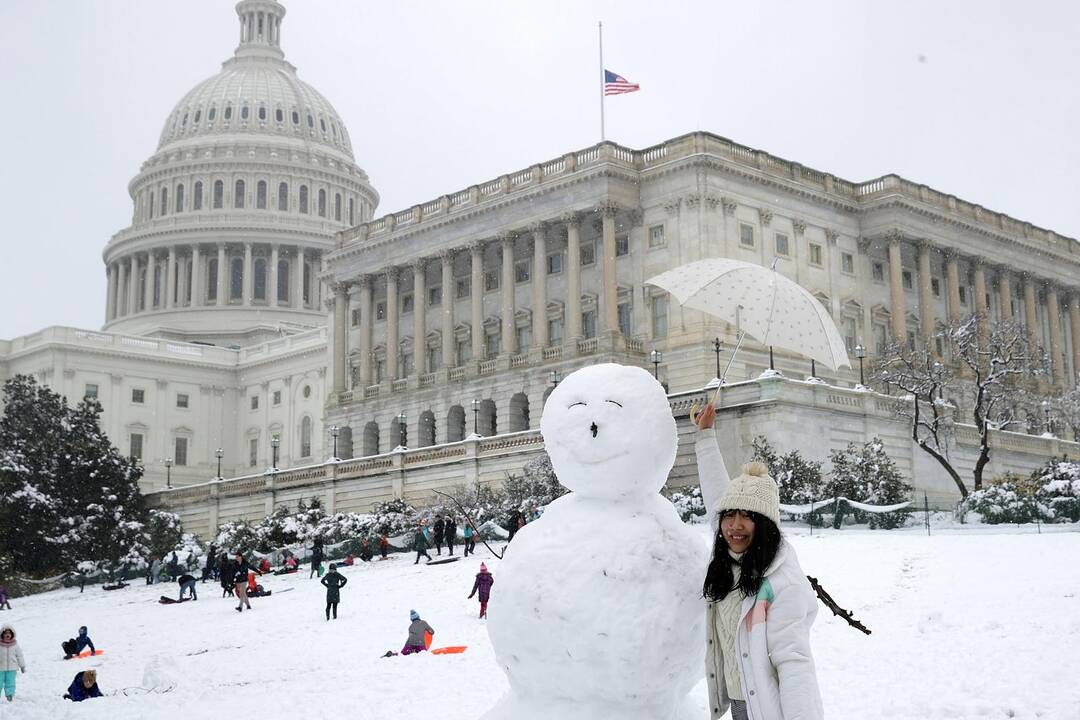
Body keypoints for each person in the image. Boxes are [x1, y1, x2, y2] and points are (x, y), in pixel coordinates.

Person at [694, 402, 823, 720]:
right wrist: (705, 435)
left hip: (768, 709)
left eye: (747, 517)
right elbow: (715, 495)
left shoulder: (781, 582)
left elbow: (794, 663)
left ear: (764, 525)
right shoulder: (730, 557)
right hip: (740, 701)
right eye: (729, 515)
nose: (734, 525)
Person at [0, 625, 26, 702]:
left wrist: (22, 666)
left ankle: (9, 695)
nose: (7, 635)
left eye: (9, 633)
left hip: (12, 668)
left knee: (10, 682)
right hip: (0, 668)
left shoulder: (15, 645)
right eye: (5, 633)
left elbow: (19, 656)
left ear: (12, 634)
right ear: (2, 635)